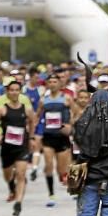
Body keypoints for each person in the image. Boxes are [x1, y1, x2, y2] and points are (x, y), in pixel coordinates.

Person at [0, 81, 38, 216]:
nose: (14, 92)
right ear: (8, 92)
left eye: (17, 90)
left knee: (21, 174)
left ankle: (18, 202)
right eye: (12, 90)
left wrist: (32, 137)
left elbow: (33, 121)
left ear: (20, 92)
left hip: (21, 146)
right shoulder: (2, 109)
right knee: (8, 175)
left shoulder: (26, 109)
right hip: (7, 147)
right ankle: (11, 187)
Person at [37, 74, 74, 207]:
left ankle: (64, 177)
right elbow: (37, 116)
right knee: (48, 164)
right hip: (48, 136)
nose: (52, 84)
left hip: (62, 137)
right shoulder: (43, 100)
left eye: (55, 82)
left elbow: (75, 113)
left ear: (59, 84)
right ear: (47, 84)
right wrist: (35, 133)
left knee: (62, 169)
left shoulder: (67, 98)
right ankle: (51, 195)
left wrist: (70, 125)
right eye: (50, 82)